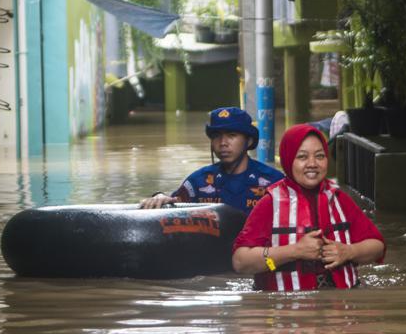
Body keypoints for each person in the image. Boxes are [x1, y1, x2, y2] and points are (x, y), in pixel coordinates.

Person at [231, 123, 385, 291]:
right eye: (302, 157)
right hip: (286, 309)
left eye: (319, 156)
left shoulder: (340, 200)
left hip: (340, 306)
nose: (312, 164)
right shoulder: (269, 204)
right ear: (288, 160)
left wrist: (349, 251)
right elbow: (241, 261)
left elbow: (377, 246)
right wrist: (294, 251)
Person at [139, 107, 284, 213]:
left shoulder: (274, 181)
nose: (223, 142)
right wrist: (159, 197)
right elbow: (174, 204)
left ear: (249, 141)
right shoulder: (198, 181)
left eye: (231, 135)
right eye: (216, 136)